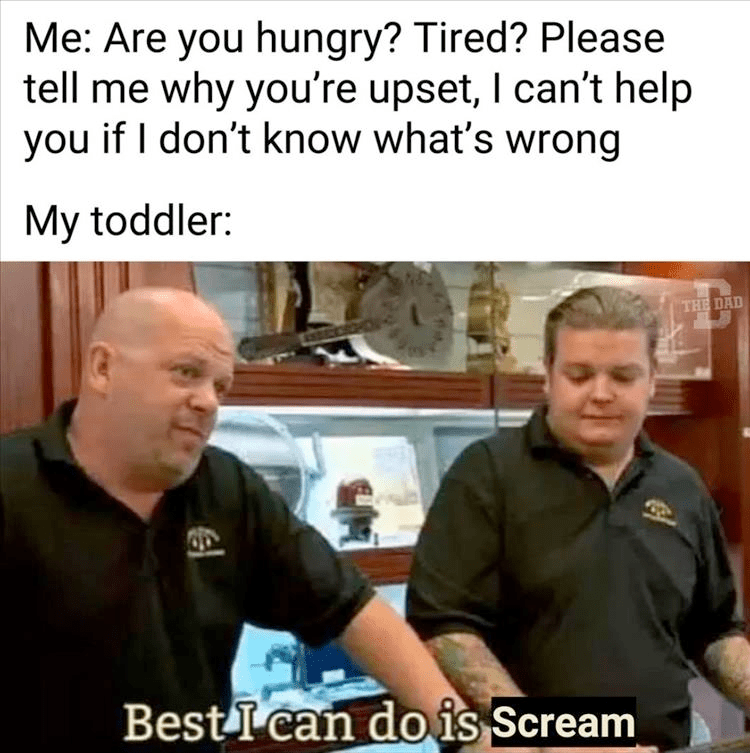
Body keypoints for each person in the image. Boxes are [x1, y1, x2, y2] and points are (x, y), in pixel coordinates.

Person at [0, 287, 489, 752]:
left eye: (221, 386)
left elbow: (351, 609)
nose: (209, 402)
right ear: (103, 368)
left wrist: (463, 731)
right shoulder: (12, 485)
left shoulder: (227, 488)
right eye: (186, 373)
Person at [407, 285, 750, 751]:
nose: (601, 394)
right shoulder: (486, 474)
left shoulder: (681, 485)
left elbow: (714, 629)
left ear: (653, 379)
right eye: (579, 375)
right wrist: (553, 734)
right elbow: (443, 629)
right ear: (548, 375)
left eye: (623, 376)